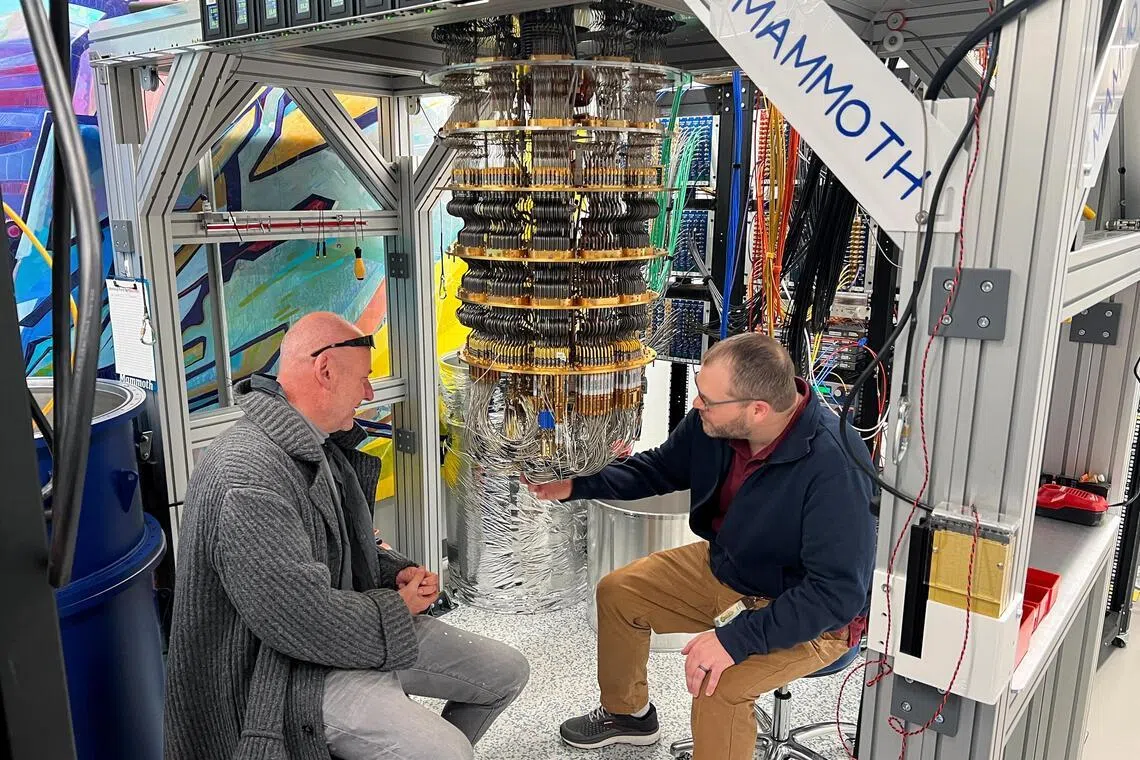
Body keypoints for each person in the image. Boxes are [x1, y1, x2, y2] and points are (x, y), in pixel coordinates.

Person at [165, 312, 529, 760]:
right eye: (364, 379)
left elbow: (347, 548)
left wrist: (395, 571)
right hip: (281, 673)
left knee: (507, 672)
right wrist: (396, 608)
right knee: (446, 751)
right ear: (325, 372)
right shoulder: (247, 474)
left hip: (345, 633)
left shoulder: (320, 447)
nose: (370, 393)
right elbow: (298, 621)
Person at [527, 333, 876, 760]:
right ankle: (628, 717)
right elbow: (660, 468)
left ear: (758, 409)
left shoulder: (833, 464)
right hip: (730, 568)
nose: (696, 405)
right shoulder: (717, 423)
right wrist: (577, 485)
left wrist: (736, 640)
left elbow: (837, 594)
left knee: (719, 685)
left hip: (809, 614)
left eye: (707, 400)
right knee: (620, 592)